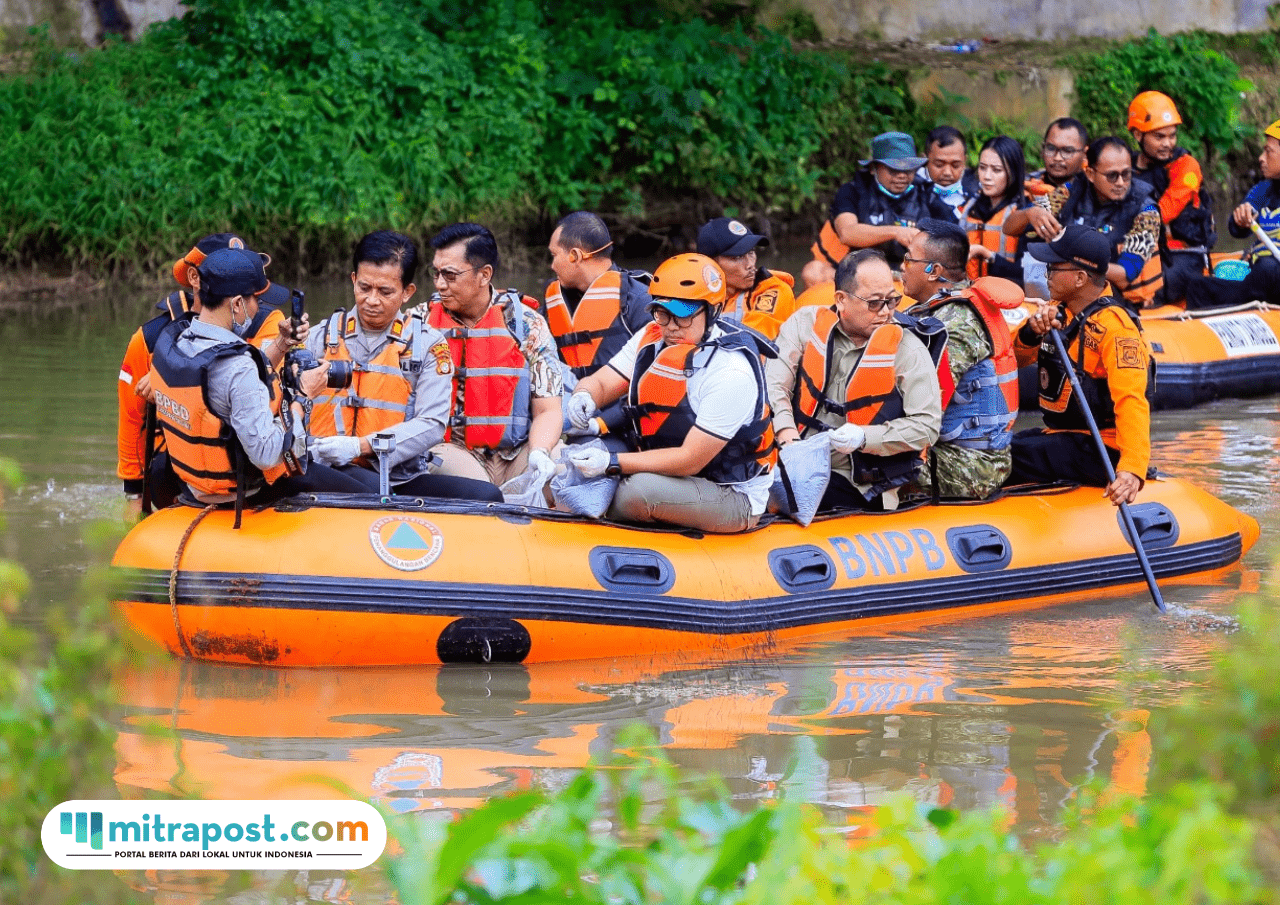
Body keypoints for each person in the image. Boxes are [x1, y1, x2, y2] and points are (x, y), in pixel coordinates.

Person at [147, 248, 369, 519]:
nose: (260, 309)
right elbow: (266, 454)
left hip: (193, 485)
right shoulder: (238, 368)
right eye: (256, 301)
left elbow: (221, 381)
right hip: (242, 491)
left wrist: (280, 344)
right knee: (364, 496)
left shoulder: (178, 341)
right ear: (237, 304)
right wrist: (302, 397)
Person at [564, 254, 777, 533]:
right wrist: (585, 395)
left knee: (637, 493)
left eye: (683, 315)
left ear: (712, 310)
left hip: (730, 493)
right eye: (663, 313)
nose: (672, 326)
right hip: (667, 464)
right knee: (583, 448)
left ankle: (590, 527)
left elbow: (690, 459)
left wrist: (612, 464)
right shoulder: (653, 335)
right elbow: (604, 382)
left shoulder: (730, 371)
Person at [301, 230, 501, 502]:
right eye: (364, 288)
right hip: (324, 467)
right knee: (368, 489)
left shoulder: (428, 345)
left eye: (385, 292)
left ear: (407, 292)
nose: (372, 300)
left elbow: (432, 423)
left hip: (397, 475)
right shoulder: (318, 337)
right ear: (353, 280)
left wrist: (360, 446)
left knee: (487, 495)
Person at [117, 233, 292, 518]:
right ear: (196, 277)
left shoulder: (269, 323)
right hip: (176, 467)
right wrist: (134, 496)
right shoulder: (151, 339)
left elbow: (256, 382)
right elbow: (131, 420)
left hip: (246, 460)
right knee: (160, 471)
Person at [768, 249, 943, 512]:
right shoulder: (804, 324)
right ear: (841, 299)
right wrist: (787, 435)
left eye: (892, 301)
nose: (885, 312)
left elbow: (927, 426)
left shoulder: (908, 349)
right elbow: (774, 384)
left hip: (858, 480)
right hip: (793, 452)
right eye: (874, 303)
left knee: (779, 499)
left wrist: (864, 437)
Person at [1007, 225, 1151, 505]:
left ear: (1079, 278)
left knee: (999, 458)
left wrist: (1132, 469)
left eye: (1053, 267)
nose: (1045, 273)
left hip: (1100, 449)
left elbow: (1132, 400)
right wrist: (1031, 333)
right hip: (1064, 436)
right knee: (997, 444)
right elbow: (1014, 360)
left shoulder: (1116, 329)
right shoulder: (1060, 309)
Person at [422, 222, 564, 489]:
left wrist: (539, 452)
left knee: (563, 468)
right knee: (479, 490)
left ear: (484, 275)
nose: (440, 284)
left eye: (450, 275)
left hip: (517, 452)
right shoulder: (419, 323)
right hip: (452, 450)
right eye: (436, 273)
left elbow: (548, 410)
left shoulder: (527, 324)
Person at [901, 220, 1019, 499]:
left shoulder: (955, 325)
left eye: (908, 259)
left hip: (971, 465)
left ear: (934, 271)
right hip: (958, 450)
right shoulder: (947, 306)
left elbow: (924, 404)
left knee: (860, 462)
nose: (902, 266)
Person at [1006, 137, 1164, 309]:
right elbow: (1008, 228)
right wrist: (1031, 213)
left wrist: (1076, 261)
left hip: (1111, 298)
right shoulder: (1071, 190)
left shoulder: (1147, 210)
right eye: (1112, 176)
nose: (1121, 183)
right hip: (1064, 285)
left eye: (1126, 174)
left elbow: (1126, 275)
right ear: (1090, 174)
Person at [542, 211, 652, 437]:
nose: (552, 265)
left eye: (554, 255)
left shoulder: (638, 299)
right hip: (562, 419)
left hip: (623, 427)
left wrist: (601, 423)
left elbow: (655, 378)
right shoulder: (552, 302)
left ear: (575, 255)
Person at [803, 131, 957, 288]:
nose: (902, 176)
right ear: (873, 169)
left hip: (906, 277)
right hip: (858, 275)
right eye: (894, 169)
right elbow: (847, 233)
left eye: (909, 169)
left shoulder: (928, 196)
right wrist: (896, 232)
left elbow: (954, 240)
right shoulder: (851, 191)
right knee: (813, 271)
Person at [1129, 91, 1215, 305]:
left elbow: (1165, 211)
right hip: (1141, 251)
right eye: (1159, 137)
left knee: (1148, 288)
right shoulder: (1124, 167)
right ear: (1138, 135)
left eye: (1172, 135)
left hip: (1184, 255)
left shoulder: (1186, 167)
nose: (1168, 143)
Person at [1183, 119, 1280, 309]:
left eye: (1268, 151)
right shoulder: (1263, 190)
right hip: (1258, 282)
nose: (1261, 158)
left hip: (1270, 277)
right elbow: (1235, 229)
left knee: (1266, 268)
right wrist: (1241, 220)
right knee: (1197, 287)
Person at [1015, 118, 1090, 296]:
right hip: (1023, 284)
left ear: (1085, 154)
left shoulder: (1095, 191)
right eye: (1051, 149)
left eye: (1068, 151)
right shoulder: (1023, 186)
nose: (1057, 158)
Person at [695, 216, 796, 339]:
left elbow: (751, 341)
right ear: (709, 264)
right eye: (737, 257)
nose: (750, 264)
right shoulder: (693, 295)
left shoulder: (775, 290)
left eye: (751, 252)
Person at [960, 135, 1029, 283]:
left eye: (997, 170)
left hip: (1008, 298)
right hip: (968, 295)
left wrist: (988, 255)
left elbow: (1029, 277)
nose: (986, 176)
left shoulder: (1025, 213)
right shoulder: (968, 208)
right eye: (982, 168)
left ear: (1013, 173)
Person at [920, 125, 979, 216]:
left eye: (955, 165)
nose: (947, 172)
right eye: (939, 165)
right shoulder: (911, 188)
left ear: (964, 162)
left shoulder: (977, 192)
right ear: (925, 160)